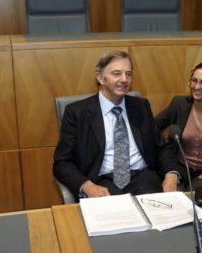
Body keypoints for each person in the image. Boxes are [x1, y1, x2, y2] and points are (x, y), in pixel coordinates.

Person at [53, 50, 182, 199]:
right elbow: (62, 163)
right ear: (100, 77)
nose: (124, 79)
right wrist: (87, 186)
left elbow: (161, 147)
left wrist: (172, 173)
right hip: (101, 182)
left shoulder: (141, 107)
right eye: (116, 73)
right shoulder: (77, 113)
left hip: (143, 177)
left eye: (128, 74)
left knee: (159, 210)